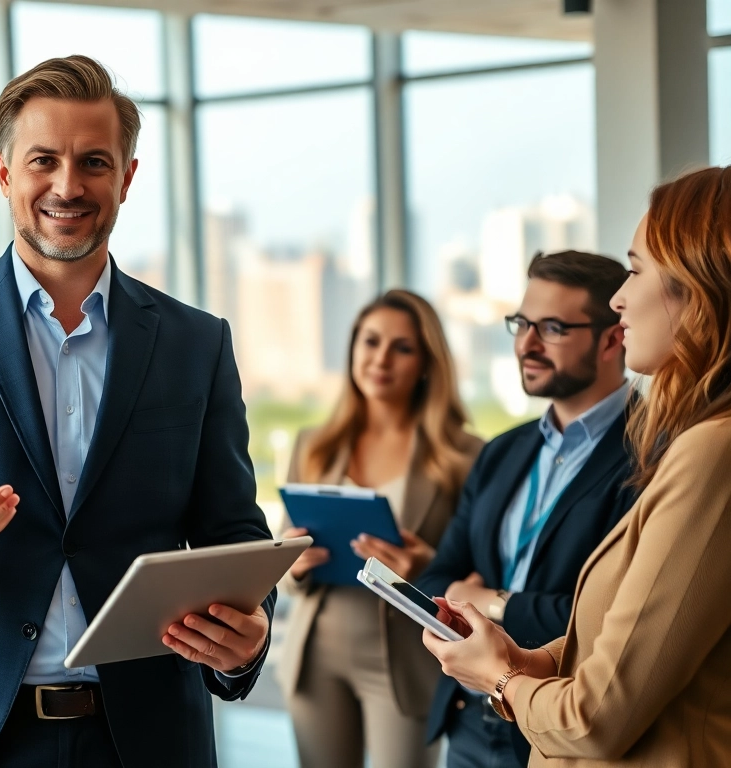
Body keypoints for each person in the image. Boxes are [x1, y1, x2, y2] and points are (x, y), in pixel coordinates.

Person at [0, 55, 274, 768]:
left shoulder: (197, 343)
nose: (68, 186)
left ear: (126, 177)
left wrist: (247, 639)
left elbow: (235, 537)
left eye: (94, 161)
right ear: (6, 173)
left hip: (143, 737)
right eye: (44, 160)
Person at [425, 165, 731, 766]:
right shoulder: (506, 451)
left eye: (637, 270)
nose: (622, 299)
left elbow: (597, 718)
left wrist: (502, 676)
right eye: (523, 325)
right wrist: (521, 658)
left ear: (696, 289)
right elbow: (622, 640)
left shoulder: (701, 450)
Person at [416, 251, 634, 768]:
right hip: (468, 717)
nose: (526, 345)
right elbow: (436, 579)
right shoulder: (502, 452)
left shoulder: (652, 455)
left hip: (558, 727)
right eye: (522, 323)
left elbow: (601, 619)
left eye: (553, 327)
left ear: (612, 338)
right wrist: (468, 596)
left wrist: (486, 600)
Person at [278, 289, 483, 768]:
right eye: (370, 341)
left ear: (428, 362)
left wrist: (426, 566)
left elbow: (478, 569)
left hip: (408, 660)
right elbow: (285, 573)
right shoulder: (314, 445)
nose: (381, 358)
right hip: (317, 654)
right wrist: (292, 562)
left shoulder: (464, 457)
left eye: (402, 347)